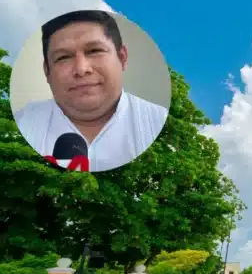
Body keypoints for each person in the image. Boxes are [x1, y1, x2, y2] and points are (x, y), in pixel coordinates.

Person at [14, 10, 168, 172]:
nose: (81, 69)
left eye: (94, 51)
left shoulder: (160, 123)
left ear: (122, 57)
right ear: (47, 71)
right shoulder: (20, 125)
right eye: (63, 57)